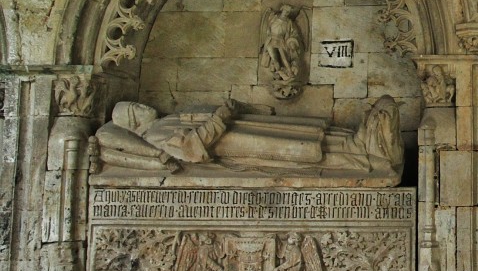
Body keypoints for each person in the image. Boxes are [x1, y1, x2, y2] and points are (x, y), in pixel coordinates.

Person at [93, 96, 404, 176]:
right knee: (300, 150)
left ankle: (358, 143)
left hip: (239, 128)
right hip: (234, 143)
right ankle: (363, 154)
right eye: (136, 107)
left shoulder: (165, 119)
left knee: (306, 134)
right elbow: (192, 148)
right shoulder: (156, 133)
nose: (144, 105)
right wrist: (221, 117)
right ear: (134, 121)